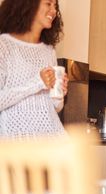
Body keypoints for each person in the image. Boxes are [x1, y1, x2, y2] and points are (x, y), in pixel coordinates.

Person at [0, 0, 68, 140]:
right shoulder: (4, 46)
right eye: (48, 4)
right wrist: (37, 83)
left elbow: (55, 107)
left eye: (55, 6)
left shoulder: (49, 51)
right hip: (17, 142)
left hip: (54, 139)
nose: (54, 11)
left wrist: (59, 93)